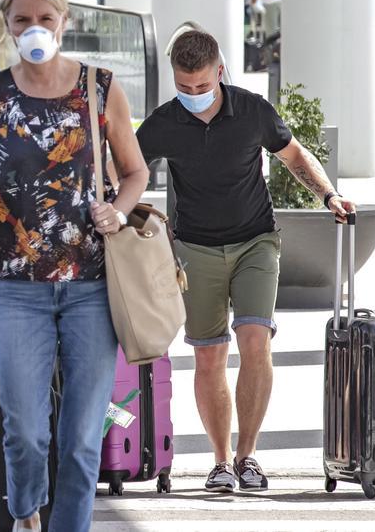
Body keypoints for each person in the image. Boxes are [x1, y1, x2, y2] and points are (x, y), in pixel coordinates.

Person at [0, 0, 147, 532]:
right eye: (22, 20)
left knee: (80, 438)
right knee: (25, 430)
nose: (34, 29)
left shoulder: (100, 87)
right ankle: (26, 511)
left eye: (45, 19)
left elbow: (136, 170)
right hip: (16, 288)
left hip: (91, 286)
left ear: (64, 22)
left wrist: (118, 210)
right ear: (6, 25)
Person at [135, 26, 355, 494]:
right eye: (183, 87)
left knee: (256, 341)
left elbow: (295, 156)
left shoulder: (252, 110)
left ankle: (248, 456)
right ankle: (220, 463)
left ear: (219, 71)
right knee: (209, 356)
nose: (193, 95)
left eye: (202, 85)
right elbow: (128, 168)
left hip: (256, 240)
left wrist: (329, 195)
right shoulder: (163, 122)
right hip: (194, 248)